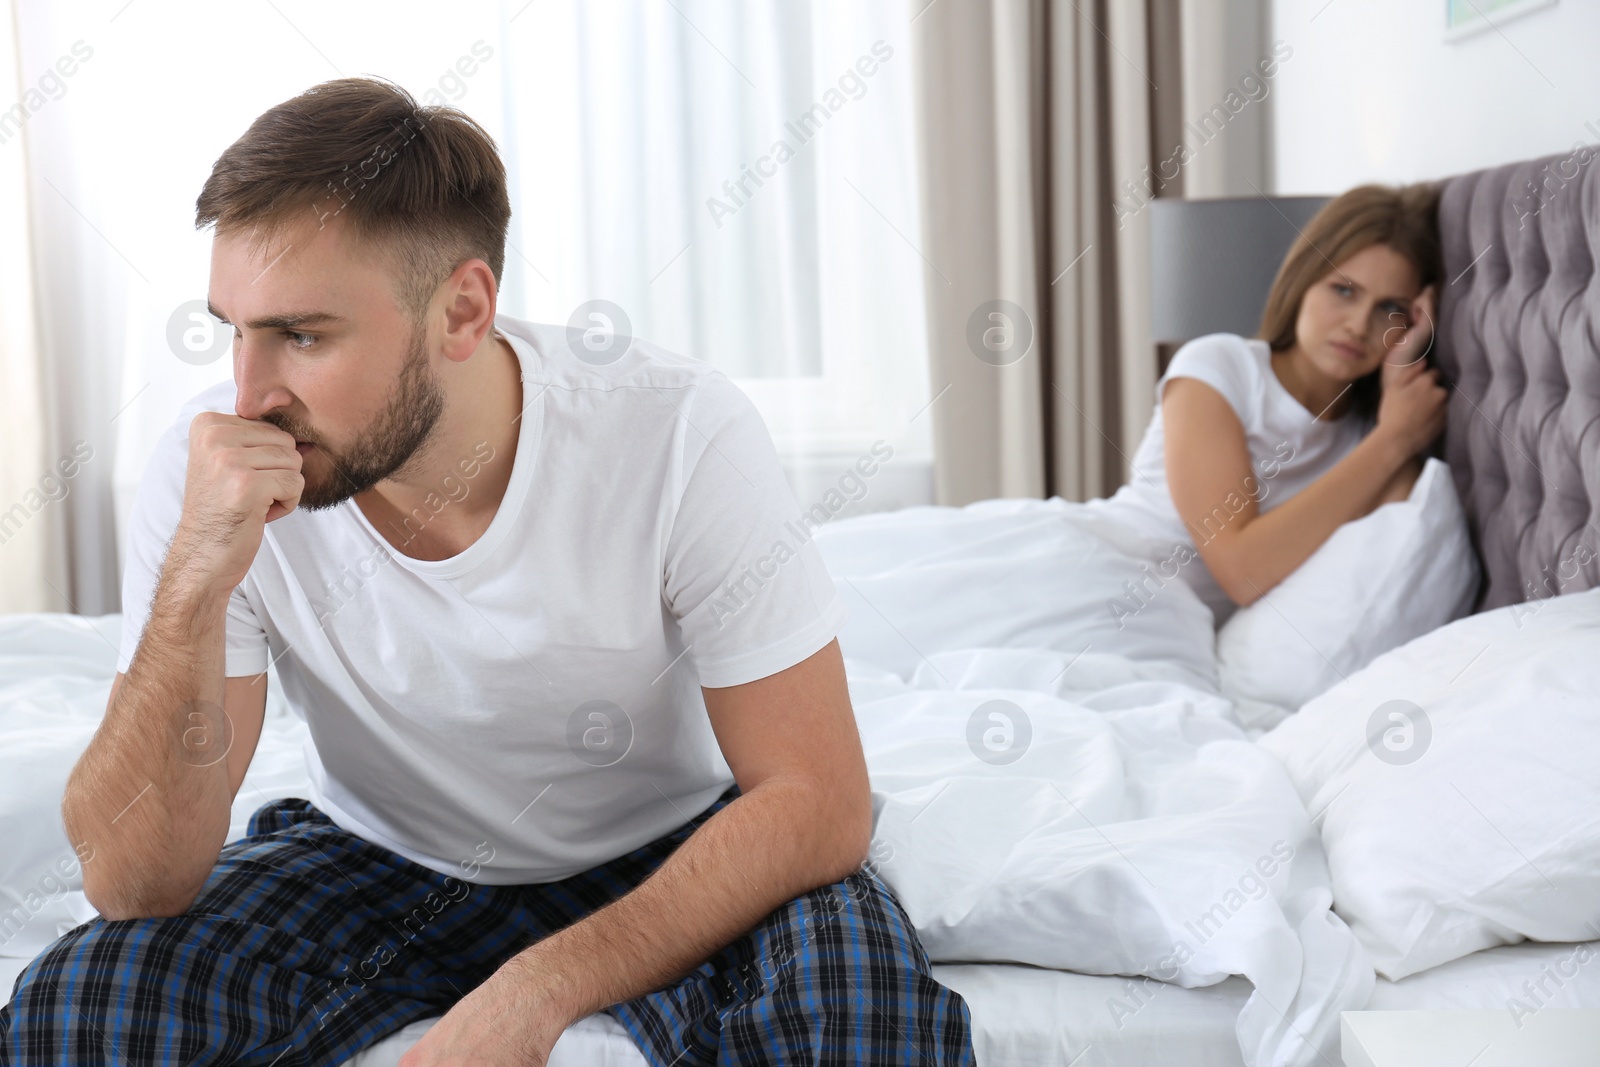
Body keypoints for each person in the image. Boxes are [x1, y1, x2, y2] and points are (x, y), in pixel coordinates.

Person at [0, 77, 976, 1066]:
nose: (250, 393)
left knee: (863, 1019)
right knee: (79, 1008)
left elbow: (816, 798)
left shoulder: (679, 431)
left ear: (461, 310)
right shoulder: (208, 468)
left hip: (665, 846)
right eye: (232, 330)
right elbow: (134, 881)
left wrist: (538, 986)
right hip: (371, 857)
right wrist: (192, 584)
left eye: (302, 334)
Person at [1085, 182, 1450, 628]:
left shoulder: (1372, 441)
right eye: (1344, 291)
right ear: (1303, 280)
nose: (1358, 325)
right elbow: (1242, 572)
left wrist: (1395, 408)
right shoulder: (1219, 367)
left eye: (1389, 308)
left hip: (1180, 631)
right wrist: (1394, 438)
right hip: (1109, 577)